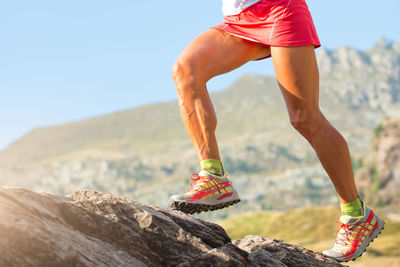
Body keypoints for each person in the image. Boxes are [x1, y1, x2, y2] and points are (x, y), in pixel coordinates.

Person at [168, 0, 384, 262]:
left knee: (305, 119)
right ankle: (214, 177)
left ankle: (356, 215)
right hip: (238, 19)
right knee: (185, 70)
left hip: (282, 10)